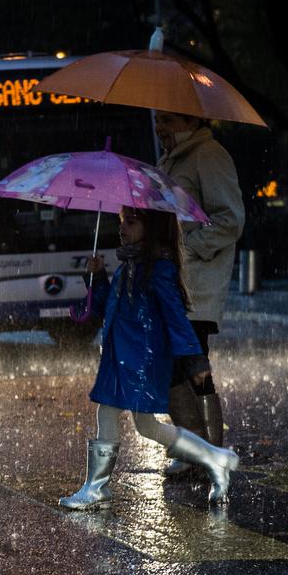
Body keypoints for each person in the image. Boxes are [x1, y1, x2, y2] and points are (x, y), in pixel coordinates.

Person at [60, 206, 239, 510]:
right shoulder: (130, 263)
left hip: (141, 361)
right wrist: (98, 278)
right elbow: (111, 309)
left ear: (151, 227)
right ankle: (215, 458)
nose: (122, 228)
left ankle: (97, 488)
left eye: (131, 222)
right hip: (121, 357)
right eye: (120, 221)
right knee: (146, 426)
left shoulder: (158, 268)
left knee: (110, 413)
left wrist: (195, 359)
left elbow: (175, 317)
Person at [153, 111, 245, 477]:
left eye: (166, 120)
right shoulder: (169, 160)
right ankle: (195, 449)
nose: (159, 127)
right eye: (157, 120)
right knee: (171, 369)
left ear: (189, 120)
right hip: (172, 285)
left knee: (192, 368)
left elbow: (231, 220)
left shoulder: (209, 155)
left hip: (197, 288)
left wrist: (187, 247)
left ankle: (210, 453)